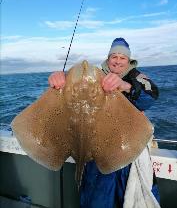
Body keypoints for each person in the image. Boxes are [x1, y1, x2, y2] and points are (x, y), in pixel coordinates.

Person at [48, 38, 160, 208]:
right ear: (108, 59)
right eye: (114, 56)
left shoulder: (137, 77)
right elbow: (72, 97)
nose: (117, 61)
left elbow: (150, 97)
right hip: (97, 149)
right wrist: (59, 80)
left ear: (129, 61)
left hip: (129, 147)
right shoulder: (95, 76)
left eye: (122, 58)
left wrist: (125, 86)